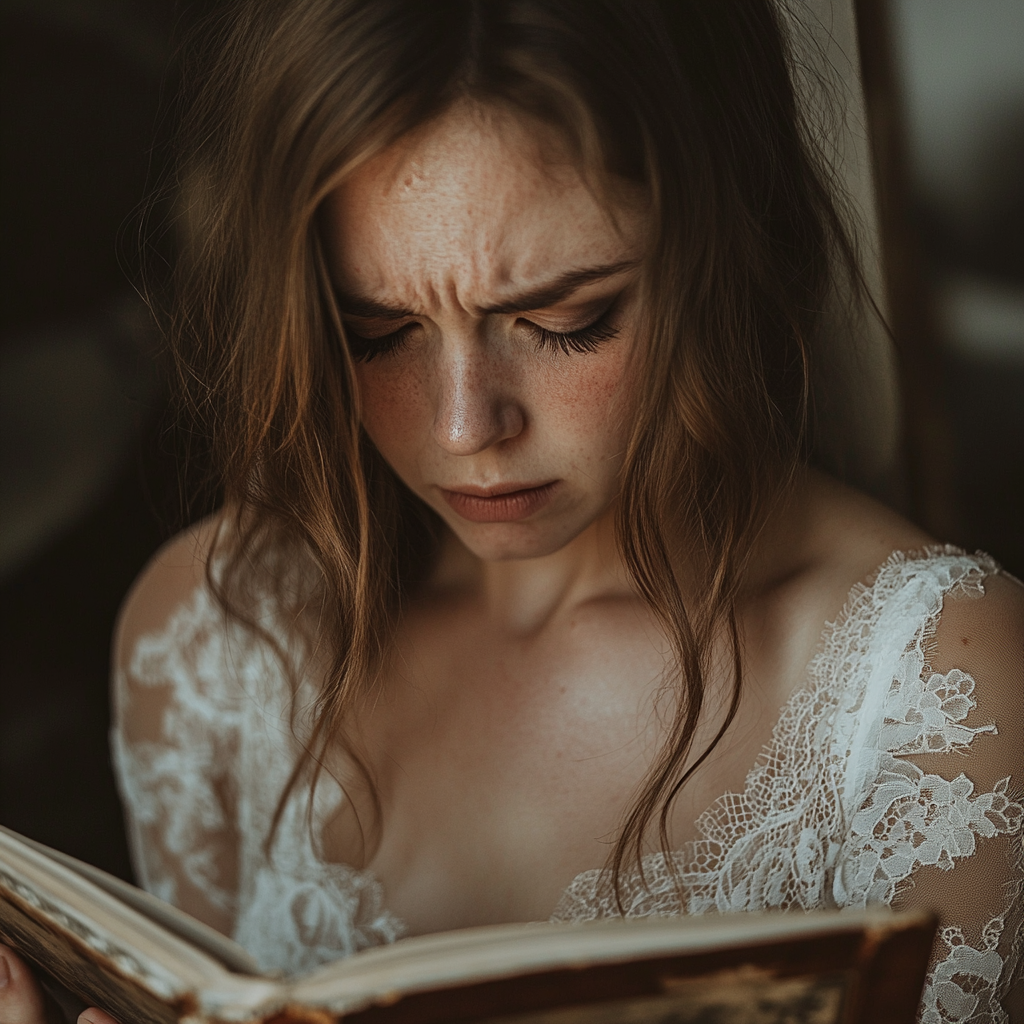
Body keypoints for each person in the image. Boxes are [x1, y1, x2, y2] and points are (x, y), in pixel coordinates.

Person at [2, 1, 1021, 1022]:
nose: (461, 428)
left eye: (563, 321)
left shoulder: (934, 692)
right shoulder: (209, 635)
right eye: (377, 330)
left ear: (724, 240)